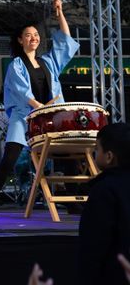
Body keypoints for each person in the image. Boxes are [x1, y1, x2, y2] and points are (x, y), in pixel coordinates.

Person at [0, 0, 78, 215]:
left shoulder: (49, 62)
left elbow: (66, 41)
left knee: (68, 155)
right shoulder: (16, 64)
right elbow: (23, 92)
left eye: (35, 34)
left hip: (49, 117)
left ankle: (72, 201)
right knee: (10, 159)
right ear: (20, 40)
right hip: (24, 116)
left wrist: (60, 13)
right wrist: (39, 107)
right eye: (28, 35)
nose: (33, 37)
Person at [78, 122, 130, 285]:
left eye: (97, 149)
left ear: (109, 156)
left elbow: (93, 244)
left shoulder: (103, 190)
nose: (94, 153)